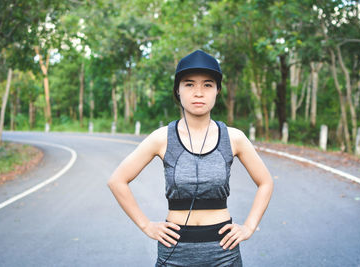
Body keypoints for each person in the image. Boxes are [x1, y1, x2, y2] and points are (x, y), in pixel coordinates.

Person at [107, 50, 274, 266]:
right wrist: (147, 226)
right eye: (189, 84)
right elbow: (117, 181)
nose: (198, 92)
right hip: (175, 252)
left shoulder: (234, 138)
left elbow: (266, 182)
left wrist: (249, 226)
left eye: (207, 84)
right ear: (178, 90)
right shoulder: (161, 138)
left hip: (223, 252)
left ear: (217, 91)